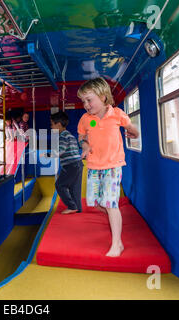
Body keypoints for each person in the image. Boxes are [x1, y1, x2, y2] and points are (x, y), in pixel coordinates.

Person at [77, 77, 139, 257]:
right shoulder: (87, 119)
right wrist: (85, 145)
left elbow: (132, 128)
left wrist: (134, 133)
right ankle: (115, 218)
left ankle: (117, 244)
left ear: (103, 97)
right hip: (94, 165)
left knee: (111, 204)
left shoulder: (117, 114)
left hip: (113, 165)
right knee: (96, 203)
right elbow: (82, 137)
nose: (86, 105)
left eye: (89, 100)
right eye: (83, 101)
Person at [43, 111, 85, 214]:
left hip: (71, 165)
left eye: (52, 124)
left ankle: (71, 206)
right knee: (74, 188)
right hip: (78, 164)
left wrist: (47, 155)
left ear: (58, 124)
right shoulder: (69, 135)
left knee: (60, 185)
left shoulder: (62, 136)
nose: (51, 127)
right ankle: (77, 208)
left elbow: (59, 151)